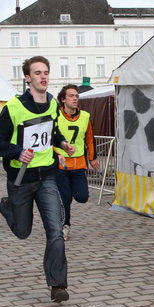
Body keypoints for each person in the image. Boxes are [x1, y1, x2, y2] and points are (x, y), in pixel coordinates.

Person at [0, 56, 75, 303]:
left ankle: (57, 285)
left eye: (46, 72)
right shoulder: (14, 107)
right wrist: (18, 152)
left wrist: (62, 143)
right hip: (21, 178)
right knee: (23, 232)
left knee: (55, 231)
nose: (43, 77)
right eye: (37, 73)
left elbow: (52, 132)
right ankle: (8, 208)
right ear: (27, 77)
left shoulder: (51, 103)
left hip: (47, 175)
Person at [55, 84, 100, 240]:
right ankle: (64, 226)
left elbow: (90, 139)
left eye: (76, 96)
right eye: (71, 96)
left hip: (79, 164)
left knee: (82, 197)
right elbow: (50, 140)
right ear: (63, 99)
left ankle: (62, 198)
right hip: (61, 165)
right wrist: (56, 154)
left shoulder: (85, 116)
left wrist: (92, 158)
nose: (75, 99)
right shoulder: (56, 117)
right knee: (65, 199)